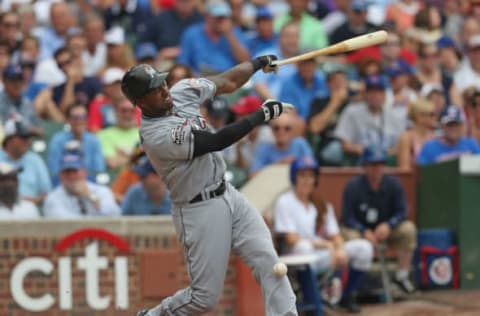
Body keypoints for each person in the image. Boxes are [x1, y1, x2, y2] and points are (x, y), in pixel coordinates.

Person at [120, 56, 298, 314]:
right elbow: (214, 142)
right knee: (204, 298)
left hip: (228, 193)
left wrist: (257, 63)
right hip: (198, 208)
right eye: (154, 90)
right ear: (140, 102)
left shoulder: (179, 92)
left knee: (269, 261)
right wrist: (261, 115)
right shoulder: (155, 135)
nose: (163, 89)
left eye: (161, 83)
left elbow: (227, 81)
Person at [274, 156, 373, 313]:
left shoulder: (321, 204)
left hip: (321, 255)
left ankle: (346, 296)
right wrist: (327, 245)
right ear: (294, 177)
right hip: (294, 257)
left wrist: (339, 248)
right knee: (304, 247)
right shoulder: (285, 201)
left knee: (364, 247)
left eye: (310, 176)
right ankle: (313, 301)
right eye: (302, 176)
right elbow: (291, 239)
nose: (307, 181)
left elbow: (335, 235)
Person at [342, 146, 418, 295]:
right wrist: (364, 231)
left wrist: (389, 225)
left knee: (408, 229)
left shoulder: (394, 184)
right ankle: (352, 284)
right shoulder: (353, 186)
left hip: (385, 230)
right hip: (360, 230)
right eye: (372, 164)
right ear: (365, 166)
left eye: (380, 164)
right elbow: (347, 217)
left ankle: (401, 277)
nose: (377, 168)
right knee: (350, 237)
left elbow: (402, 211)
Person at [334, 75, 406, 163]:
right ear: (365, 94)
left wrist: (384, 153)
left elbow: (402, 144)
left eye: (379, 92)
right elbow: (345, 144)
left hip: (388, 161)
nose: (375, 96)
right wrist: (365, 151)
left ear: (384, 95)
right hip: (361, 162)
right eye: (371, 92)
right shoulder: (352, 111)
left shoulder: (394, 114)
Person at [177, 0, 250, 75]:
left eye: (224, 17)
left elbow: (245, 61)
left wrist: (229, 35)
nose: (221, 21)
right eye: (218, 17)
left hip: (228, 78)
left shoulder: (235, 33)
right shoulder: (192, 33)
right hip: (200, 79)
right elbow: (183, 63)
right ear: (207, 16)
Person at [43, 151, 121, 218]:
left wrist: (91, 196)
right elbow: (63, 223)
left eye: (75, 171)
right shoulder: (53, 197)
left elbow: (115, 214)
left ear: (84, 172)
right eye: (67, 172)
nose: (71, 176)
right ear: (60, 175)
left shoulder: (101, 191)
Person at [48, 104, 106, 183]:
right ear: (68, 120)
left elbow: (99, 170)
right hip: (64, 183)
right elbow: (54, 170)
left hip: (90, 183)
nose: (80, 121)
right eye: (75, 118)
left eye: (83, 117)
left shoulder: (94, 140)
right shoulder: (58, 140)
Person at [0, 117, 51, 204]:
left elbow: (47, 193)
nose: (27, 141)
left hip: (30, 211)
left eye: (28, 137)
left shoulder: (35, 159)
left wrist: (36, 201)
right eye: (23, 137)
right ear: (9, 139)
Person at [98, 97, 140, 170]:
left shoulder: (144, 133)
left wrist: (123, 154)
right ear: (115, 111)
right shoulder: (103, 135)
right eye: (124, 110)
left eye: (131, 111)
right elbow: (111, 163)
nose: (128, 114)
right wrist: (137, 154)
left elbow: (148, 162)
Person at [397, 99, 436, 170]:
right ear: (415, 116)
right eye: (424, 114)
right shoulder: (406, 138)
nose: (430, 118)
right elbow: (404, 167)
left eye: (432, 114)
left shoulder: (434, 136)